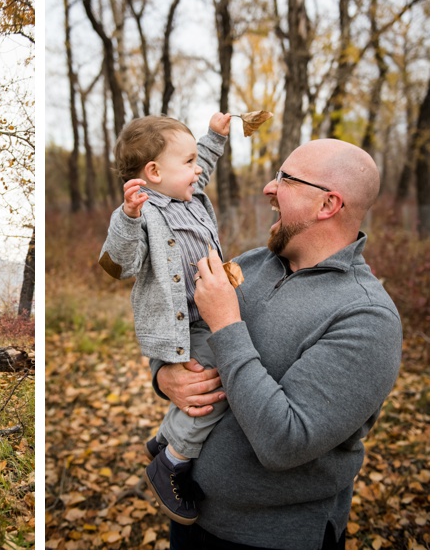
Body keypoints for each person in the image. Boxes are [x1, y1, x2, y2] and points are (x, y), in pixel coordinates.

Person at [153, 138, 402, 549]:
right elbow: (187, 326)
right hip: (190, 514)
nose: (268, 188)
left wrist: (227, 323)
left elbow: (284, 443)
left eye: (284, 179)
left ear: (327, 205)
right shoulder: (253, 262)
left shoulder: (367, 317)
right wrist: (163, 374)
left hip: (271, 539)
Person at [98, 112, 231, 524]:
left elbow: (201, 168)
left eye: (196, 161)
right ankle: (172, 460)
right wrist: (128, 217)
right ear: (154, 172)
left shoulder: (187, 196)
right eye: (189, 162)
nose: (198, 170)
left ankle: (161, 440)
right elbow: (119, 265)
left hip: (206, 315)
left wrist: (215, 137)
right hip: (184, 325)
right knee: (214, 389)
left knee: (222, 378)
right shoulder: (144, 213)